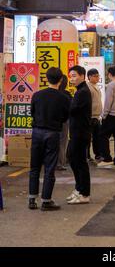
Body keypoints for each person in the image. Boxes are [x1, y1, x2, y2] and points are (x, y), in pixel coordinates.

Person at [28, 67, 70, 211]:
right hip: (53, 133)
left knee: (34, 167)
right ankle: (46, 201)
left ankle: (32, 199)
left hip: (37, 132)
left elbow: (32, 112)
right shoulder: (63, 97)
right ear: (60, 80)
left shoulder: (37, 95)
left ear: (46, 78)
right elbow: (66, 117)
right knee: (49, 167)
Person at [67, 66, 92, 204]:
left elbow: (72, 109)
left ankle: (84, 193)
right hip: (77, 132)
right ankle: (78, 189)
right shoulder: (80, 91)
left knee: (80, 163)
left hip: (81, 133)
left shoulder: (82, 92)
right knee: (72, 159)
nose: (72, 78)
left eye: (75, 75)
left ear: (82, 76)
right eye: (70, 76)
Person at [86, 68, 103, 162]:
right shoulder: (87, 87)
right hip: (90, 116)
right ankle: (87, 155)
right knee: (88, 138)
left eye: (98, 76)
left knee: (97, 137)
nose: (97, 78)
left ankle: (98, 154)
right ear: (89, 77)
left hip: (97, 116)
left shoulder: (96, 86)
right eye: (95, 76)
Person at [57, 75, 72, 171]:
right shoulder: (67, 94)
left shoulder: (49, 93)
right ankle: (60, 163)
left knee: (53, 142)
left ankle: (52, 162)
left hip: (51, 121)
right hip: (64, 122)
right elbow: (71, 109)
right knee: (63, 142)